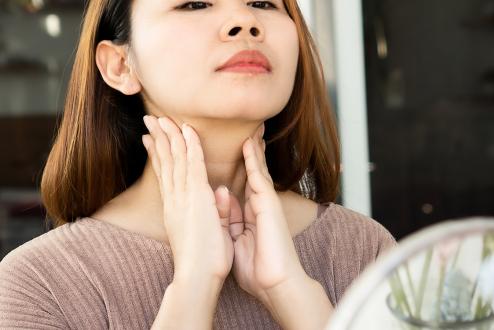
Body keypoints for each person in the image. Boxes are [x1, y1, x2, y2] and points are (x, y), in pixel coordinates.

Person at [0, 0, 397, 328]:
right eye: (195, 4)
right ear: (120, 65)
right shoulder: (40, 283)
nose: (246, 21)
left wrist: (290, 290)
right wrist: (193, 285)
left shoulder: (364, 250)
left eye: (264, 3)